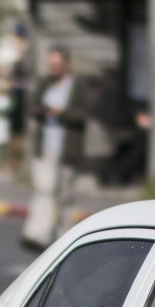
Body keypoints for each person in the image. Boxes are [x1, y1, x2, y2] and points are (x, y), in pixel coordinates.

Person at [21, 46, 91, 249]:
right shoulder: (44, 83)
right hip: (45, 146)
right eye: (51, 64)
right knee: (44, 189)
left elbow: (82, 116)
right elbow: (32, 106)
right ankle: (37, 234)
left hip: (68, 147)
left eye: (57, 64)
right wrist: (40, 110)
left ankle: (64, 234)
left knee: (65, 194)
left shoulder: (77, 86)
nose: (54, 68)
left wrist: (59, 113)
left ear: (66, 64)